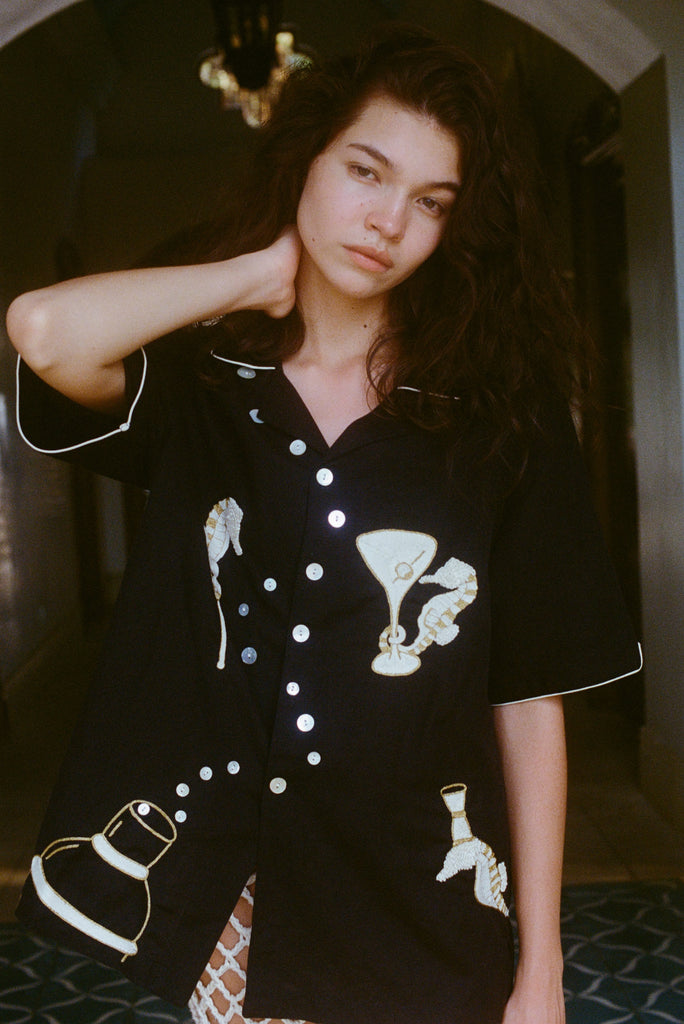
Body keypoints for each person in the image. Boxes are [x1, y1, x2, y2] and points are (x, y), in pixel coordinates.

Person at [7, 24, 641, 1024]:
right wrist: (255, 276)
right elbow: (44, 333)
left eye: (432, 202)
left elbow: (529, 699)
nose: (388, 220)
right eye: (365, 170)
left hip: (415, 886)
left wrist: (544, 970)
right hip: (236, 878)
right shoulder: (210, 385)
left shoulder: (498, 419)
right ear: (307, 157)